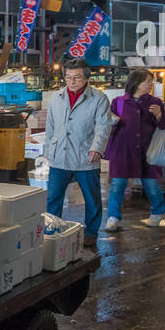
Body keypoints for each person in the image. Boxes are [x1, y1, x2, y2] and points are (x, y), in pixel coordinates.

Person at [42, 57, 113, 248]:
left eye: (77, 78)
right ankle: (51, 231)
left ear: (87, 78)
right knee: (53, 198)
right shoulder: (56, 98)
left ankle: (91, 233)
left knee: (92, 198)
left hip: (85, 156)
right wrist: (48, 150)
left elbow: (104, 126)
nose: (72, 81)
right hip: (59, 156)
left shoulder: (98, 98)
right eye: (68, 77)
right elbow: (50, 127)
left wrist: (97, 148)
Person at [104, 68, 165, 232]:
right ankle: (113, 217)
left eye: (150, 81)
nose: (150, 84)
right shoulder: (118, 102)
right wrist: (113, 119)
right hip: (122, 150)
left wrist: (159, 114)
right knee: (117, 184)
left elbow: (163, 125)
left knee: (151, 184)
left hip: (148, 151)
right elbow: (106, 123)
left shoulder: (155, 102)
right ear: (136, 83)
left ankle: (158, 212)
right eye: (147, 81)